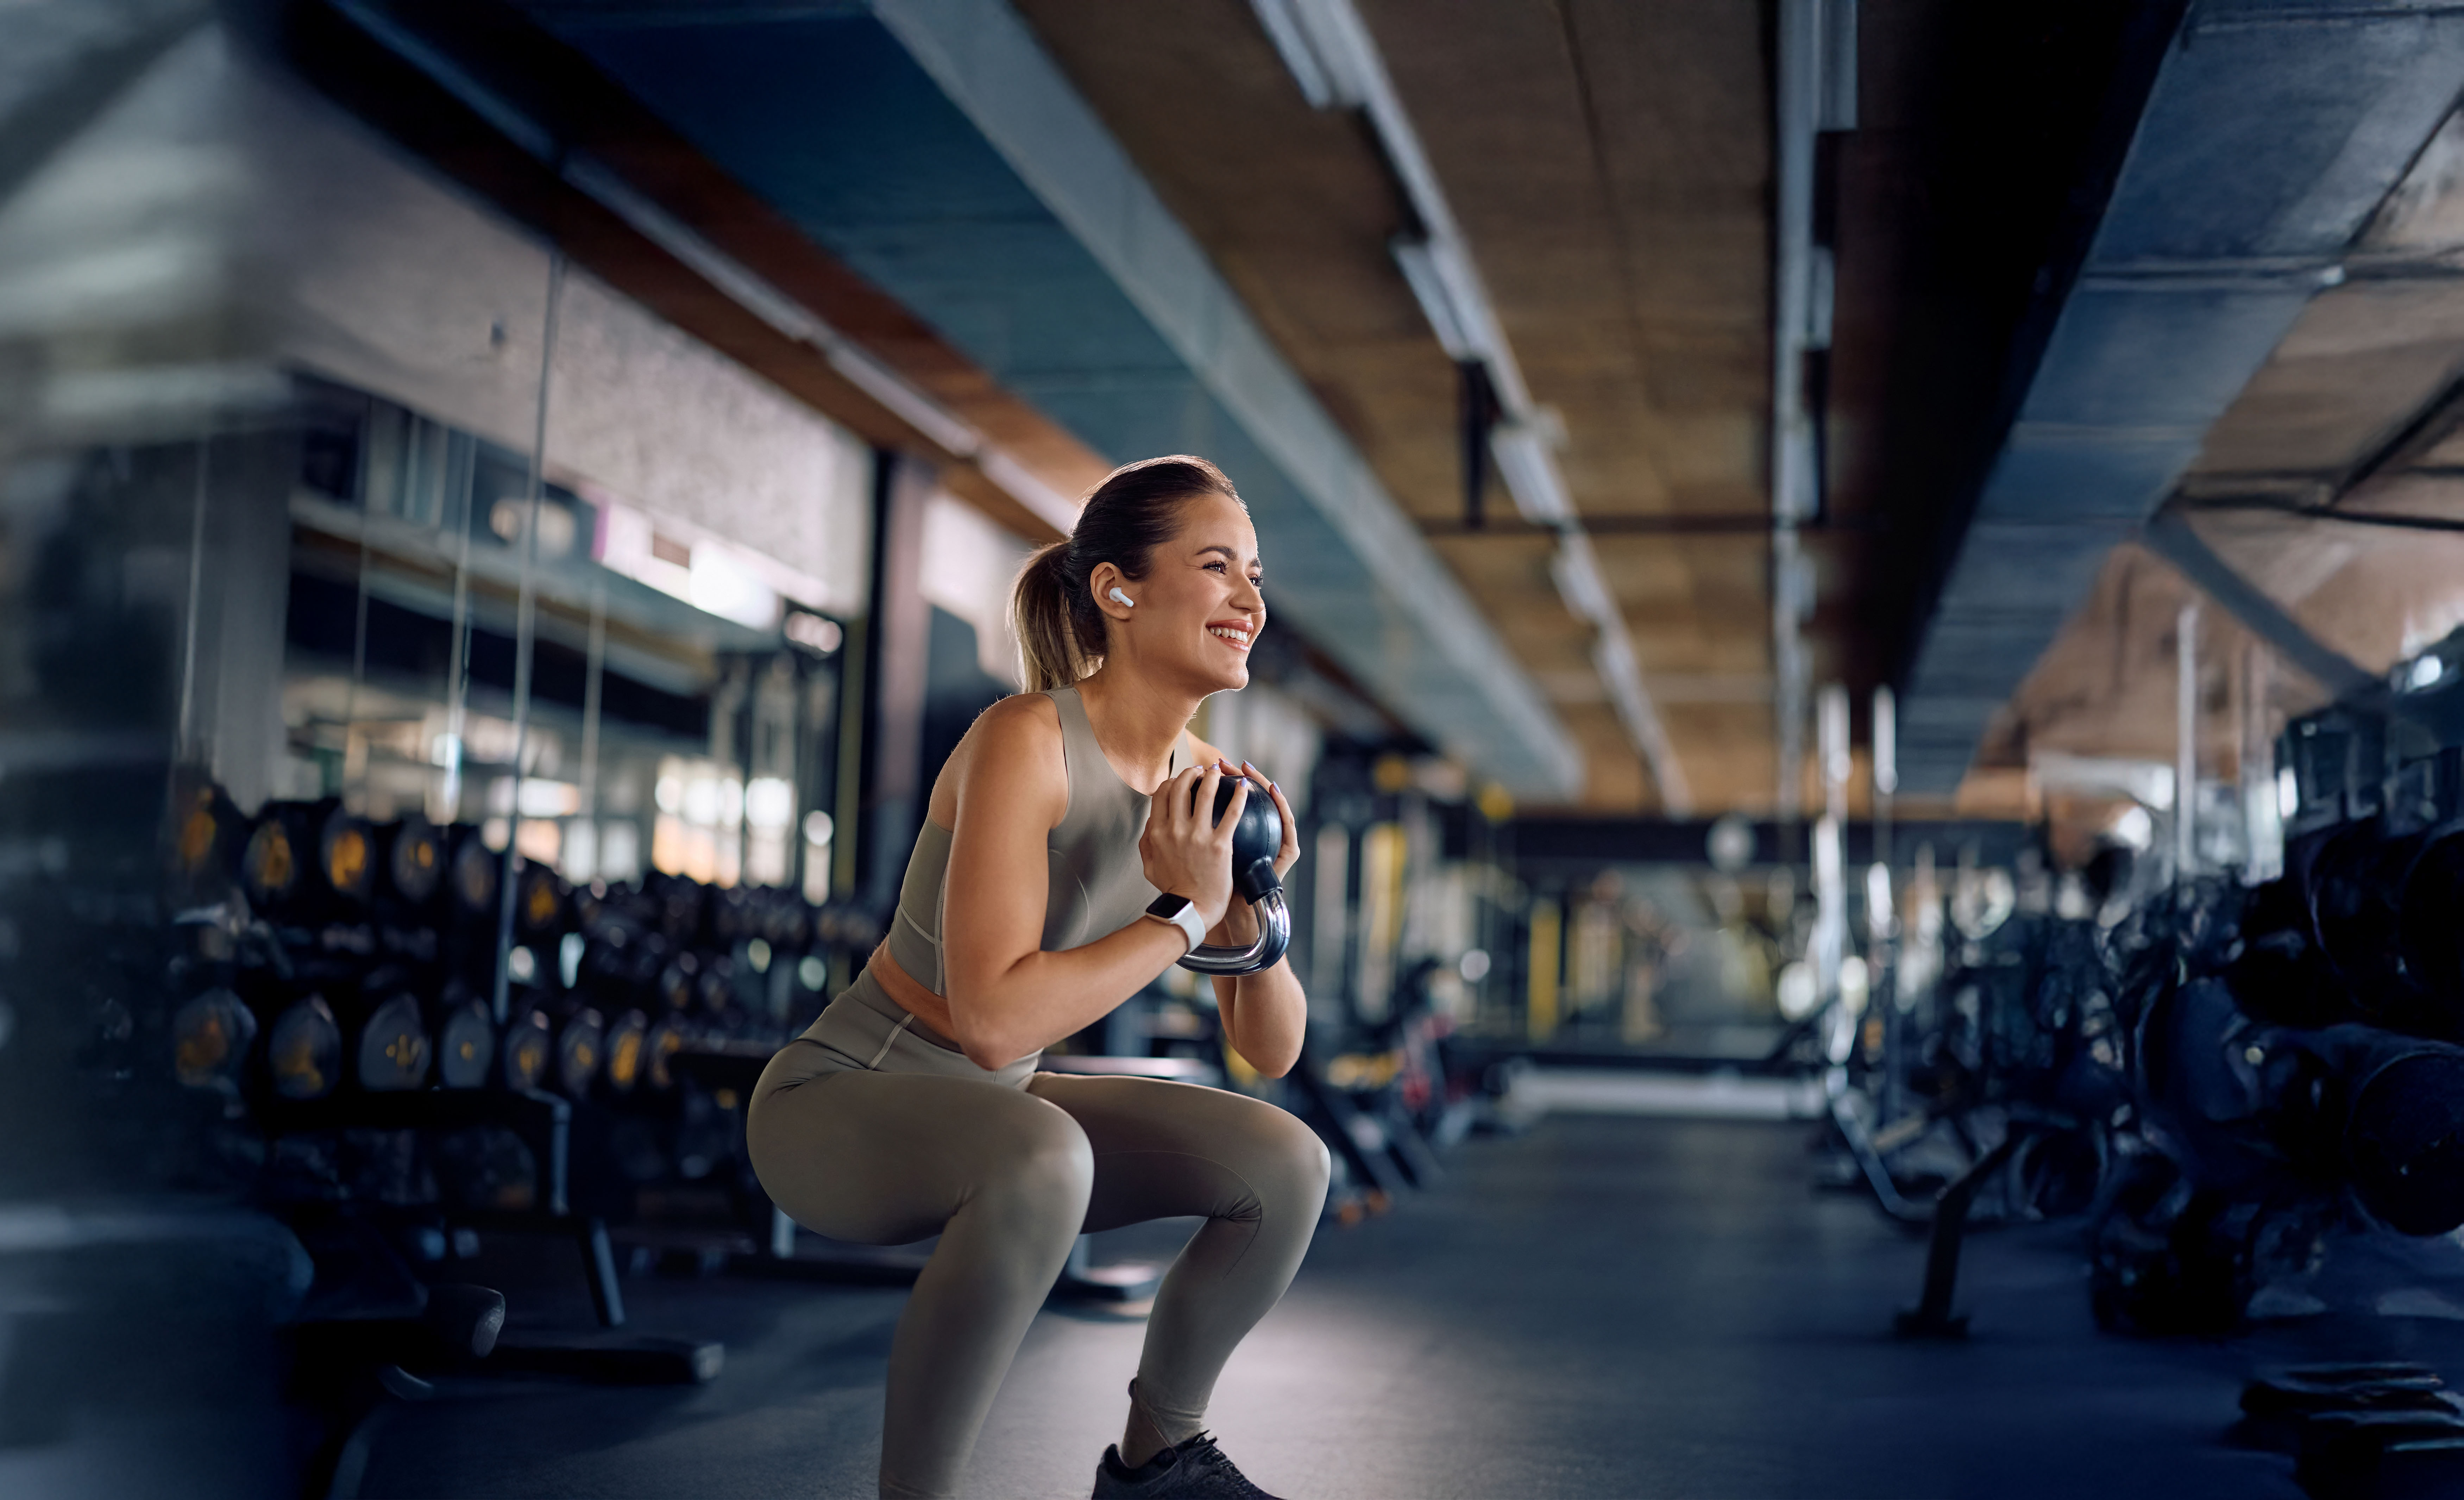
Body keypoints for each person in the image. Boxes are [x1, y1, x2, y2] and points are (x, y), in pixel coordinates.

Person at [748, 455, 1330, 1499]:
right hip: (839, 1102)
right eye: (1217, 566)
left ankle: (1158, 1464)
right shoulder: (1026, 738)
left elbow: (1273, 1049)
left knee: (1286, 1161)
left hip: (1007, 1114)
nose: (1251, 598)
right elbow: (992, 1021)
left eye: (1255, 574)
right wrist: (1183, 911)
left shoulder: (1205, 785)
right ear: (1118, 589)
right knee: (1044, 1152)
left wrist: (1254, 915)